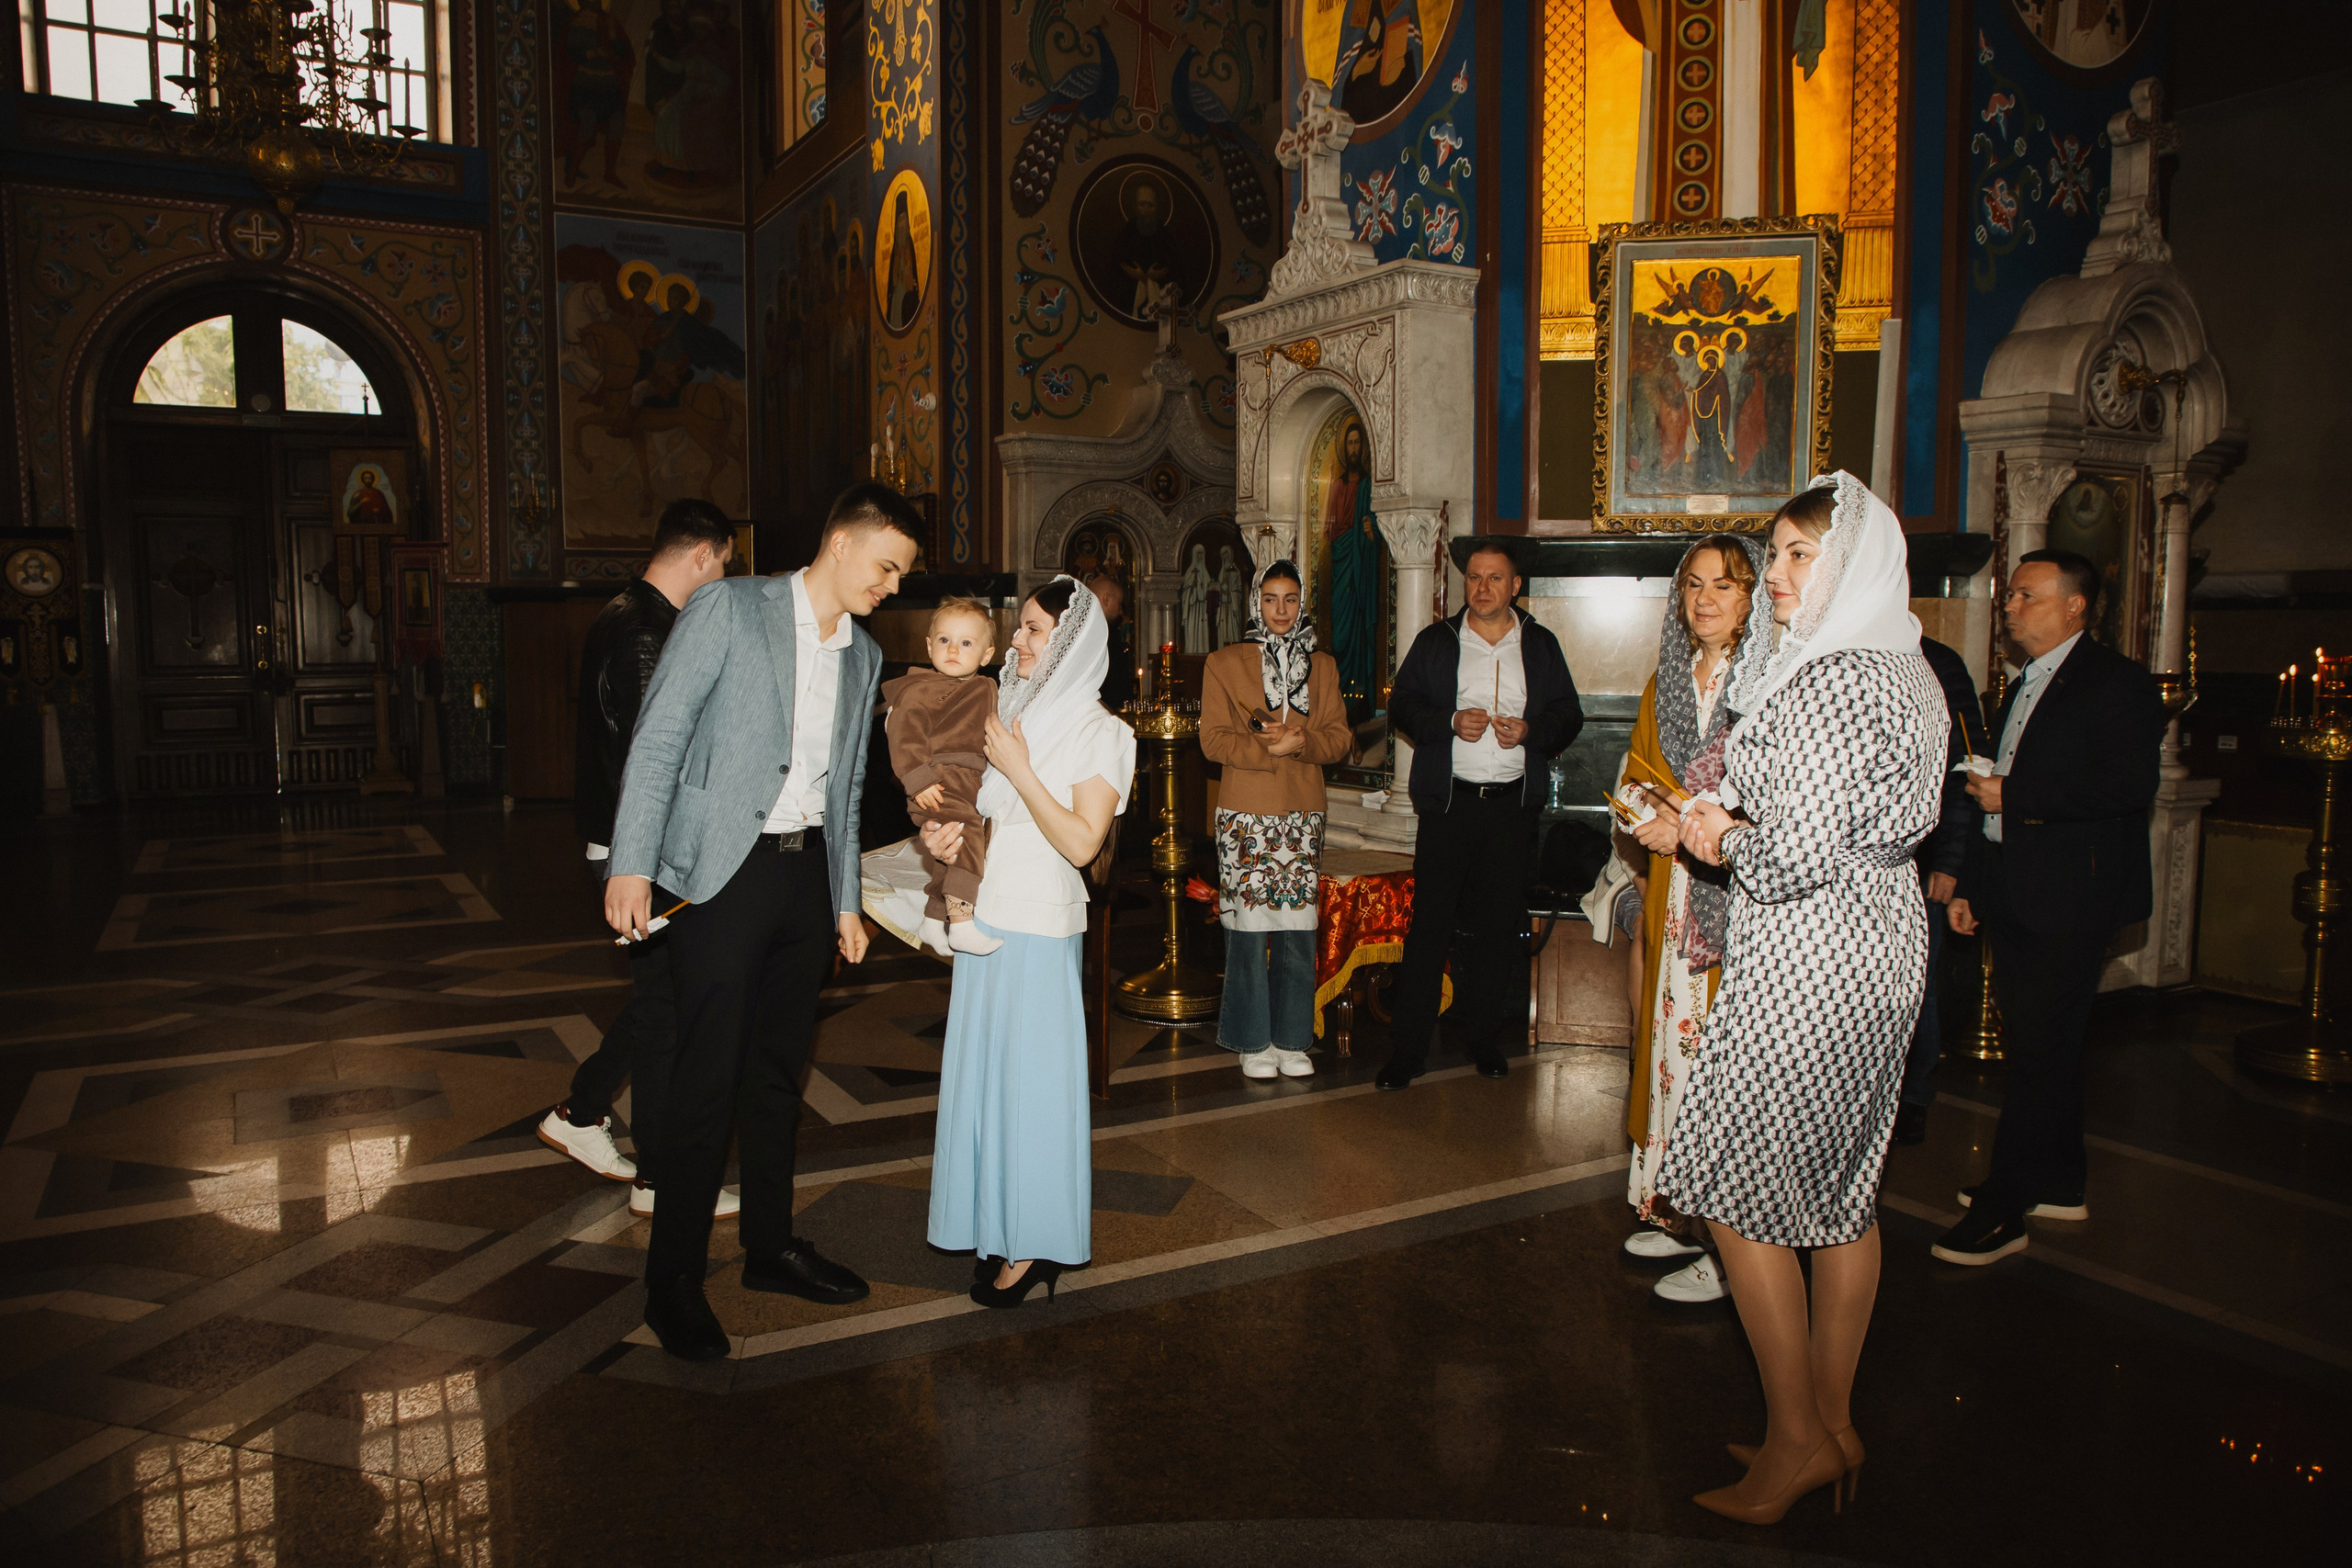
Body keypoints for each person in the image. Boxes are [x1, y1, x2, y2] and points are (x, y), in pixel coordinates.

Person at [1659, 472, 1947, 1524]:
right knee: (1839, 1193)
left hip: (1811, 950)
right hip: (1878, 932)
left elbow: (1785, 857)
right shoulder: (1903, 663)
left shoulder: (1830, 683)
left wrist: (1713, 833)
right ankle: (1830, 1420)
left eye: (1793, 556)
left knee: (1740, 1197)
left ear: (1849, 562)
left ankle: (1793, 1443)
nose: (1773, 576)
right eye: (1771, 555)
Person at [604, 482, 922, 1361]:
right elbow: (660, 737)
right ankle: (670, 1283)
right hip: (721, 876)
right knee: (705, 1079)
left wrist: (847, 897)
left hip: (804, 879)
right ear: (841, 543)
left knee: (780, 1072)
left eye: (901, 573)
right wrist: (632, 861)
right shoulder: (729, 609)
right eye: (887, 566)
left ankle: (770, 1245)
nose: (892, 586)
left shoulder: (862, 655)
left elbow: (850, 787)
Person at [1932, 549, 2165, 1264]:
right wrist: (1972, 881)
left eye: (2027, 596)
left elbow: (2127, 786)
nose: (2010, 606)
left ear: (2074, 607)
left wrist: (2017, 797)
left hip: (2074, 894)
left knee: (2036, 1050)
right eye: (2010, 596)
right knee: (2050, 1044)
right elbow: (1993, 784)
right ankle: (2061, 1180)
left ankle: (2006, 1207)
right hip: (2013, 883)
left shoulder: (2117, 684)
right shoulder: (2023, 683)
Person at [922, 578, 1136, 1308]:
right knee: (988, 1086)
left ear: (1071, 645)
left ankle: (1038, 1241)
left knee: (1035, 1092)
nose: (1016, 641)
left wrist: (1016, 768)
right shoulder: (1005, 711)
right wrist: (938, 831)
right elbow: (977, 813)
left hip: (1041, 927)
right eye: (1019, 629)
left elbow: (1082, 841)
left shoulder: (1101, 732)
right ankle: (996, 1226)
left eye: (1035, 631)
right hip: (985, 919)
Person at [539, 501, 738, 1221]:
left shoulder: (628, 613)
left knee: (663, 995)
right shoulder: (646, 631)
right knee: (666, 1013)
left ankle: (583, 1112)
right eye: (726, 562)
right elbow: (656, 756)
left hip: (627, 841)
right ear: (705, 555)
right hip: (638, 848)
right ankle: (659, 1176)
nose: (725, 575)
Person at [1617, 536, 1772, 1305]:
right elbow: (1642, 774)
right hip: (1676, 893)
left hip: (1738, 902)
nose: (1706, 598)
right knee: (1674, 1052)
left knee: (1721, 1064)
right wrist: (1647, 811)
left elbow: (1773, 804)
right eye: (1694, 585)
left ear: (1754, 597)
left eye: (1726, 584)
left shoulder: (1773, 684)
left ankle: (1734, 1248)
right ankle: (1684, 1216)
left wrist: (1694, 821)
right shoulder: (1667, 680)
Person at [1379, 540, 1584, 1089]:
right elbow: (1402, 705)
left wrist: (1532, 733)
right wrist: (1447, 721)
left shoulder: (1539, 644)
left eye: (1495, 578)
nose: (1483, 587)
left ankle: (1485, 1040)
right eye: (1474, 577)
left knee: (1498, 928)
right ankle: (1408, 1051)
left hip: (1511, 809)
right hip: (1450, 807)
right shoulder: (1437, 642)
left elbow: (1569, 713)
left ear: (1516, 585)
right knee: (1430, 928)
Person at [1199, 560, 1352, 1079]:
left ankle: (1292, 1040)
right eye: (1270, 599)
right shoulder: (1224, 663)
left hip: (1303, 814)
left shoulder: (1324, 666)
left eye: (1290, 599)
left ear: (1302, 603)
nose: (1281, 610)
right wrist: (1271, 748)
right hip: (1245, 812)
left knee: (1296, 929)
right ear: (1254, 603)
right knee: (1247, 930)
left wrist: (1303, 741)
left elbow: (1340, 739)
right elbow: (1213, 740)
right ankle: (1250, 1039)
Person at [1892, 636, 1987, 1145]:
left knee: (1917, 986)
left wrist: (1950, 861)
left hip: (1922, 857)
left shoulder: (1938, 660)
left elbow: (1965, 766)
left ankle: (1914, 1097)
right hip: (1851, 861)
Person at [881, 598, 1002, 958]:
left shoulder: (984, 685)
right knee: (967, 842)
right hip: (937, 779)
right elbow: (904, 734)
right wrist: (919, 780)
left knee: (946, 855)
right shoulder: (921, 689)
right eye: (945, 640)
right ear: (929, 646)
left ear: (986, 654)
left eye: (966, 643)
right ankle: (961, 924)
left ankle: (933, 921)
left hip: (969, 779)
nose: (953, 650)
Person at [1087, 572, 1136, 711]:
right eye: (1119, 604)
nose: (1121, 612)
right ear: (1107, 599)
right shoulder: (1105, 634)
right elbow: (1116, 683)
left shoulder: (1090, 629)